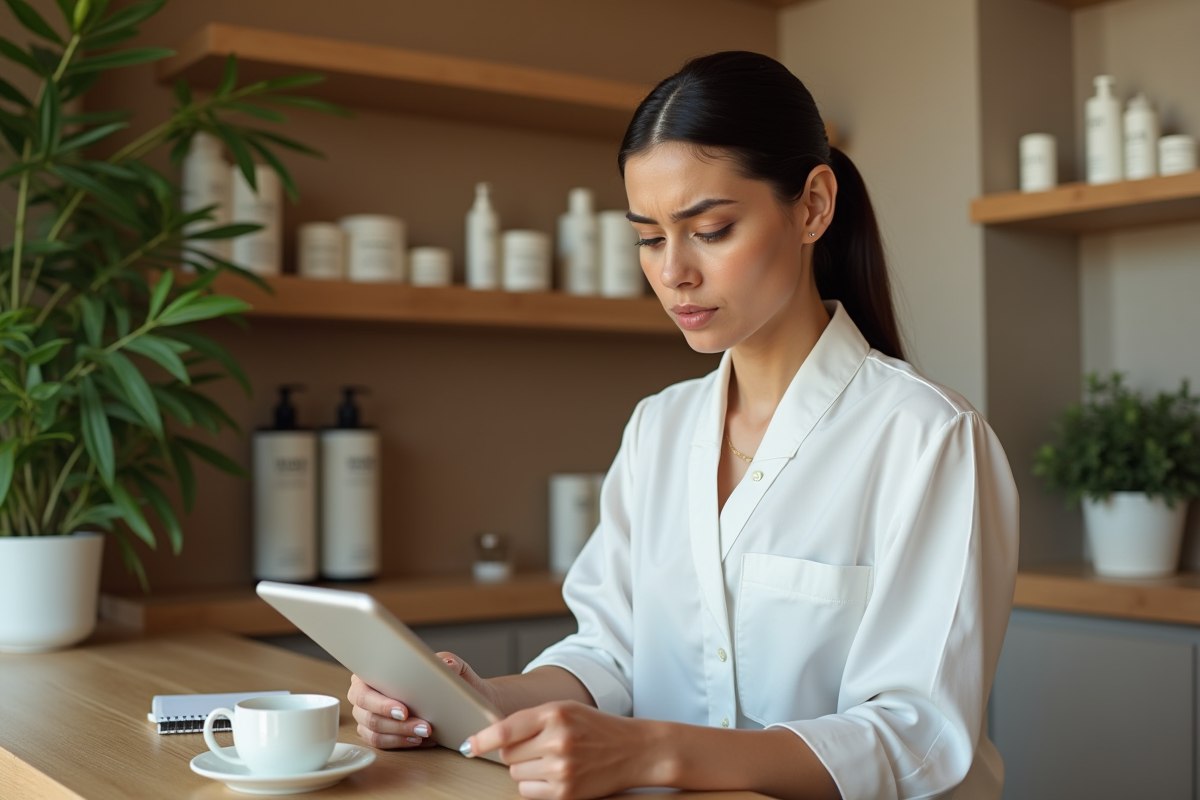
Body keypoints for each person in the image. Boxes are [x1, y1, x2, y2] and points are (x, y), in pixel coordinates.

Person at [348, 51, 1019, 800]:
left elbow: (915, 736)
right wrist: (473, 700)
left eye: (712, 228)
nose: (674, 273)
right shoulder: (658, 428)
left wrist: (653, 754)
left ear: (813, 207)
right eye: (649, 237)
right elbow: (610, 652)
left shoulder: (927, 439)